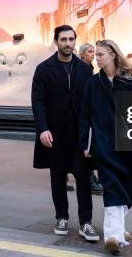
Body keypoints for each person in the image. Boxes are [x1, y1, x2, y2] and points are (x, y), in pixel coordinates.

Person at [80, 39, 132, 254]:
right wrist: (84, 143)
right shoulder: (93, 83)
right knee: (111, 187)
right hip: (103, 144)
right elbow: (85, 115)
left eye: (100, 54)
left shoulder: (129, 81)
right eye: (95, 54)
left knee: (128, 188)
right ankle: (112, 236)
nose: (96, 58)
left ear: (112, 54)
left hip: (128, 143)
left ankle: (118, 229)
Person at [32, 25, 99, 242]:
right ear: (56, 41)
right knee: (58, 176)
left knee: (83, 177)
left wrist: (91, 133)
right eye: (63, 39)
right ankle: (61, 217)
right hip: (55, 133)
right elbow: (38, 101)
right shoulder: (44, 69)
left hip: (79, 134)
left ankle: (86, 222)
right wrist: (43, 128)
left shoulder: (85, 69)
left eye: (71, 39)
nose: (68, 43)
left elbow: (90, 104)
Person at [79, 43, 104, 196]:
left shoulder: (90, 69)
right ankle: (89, 177)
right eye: (90, 52)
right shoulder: (83, 70)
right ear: (82, 54)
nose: (92, 54)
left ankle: (91, 176)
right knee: (86, 149)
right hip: (84, 114)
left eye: (94, 52)